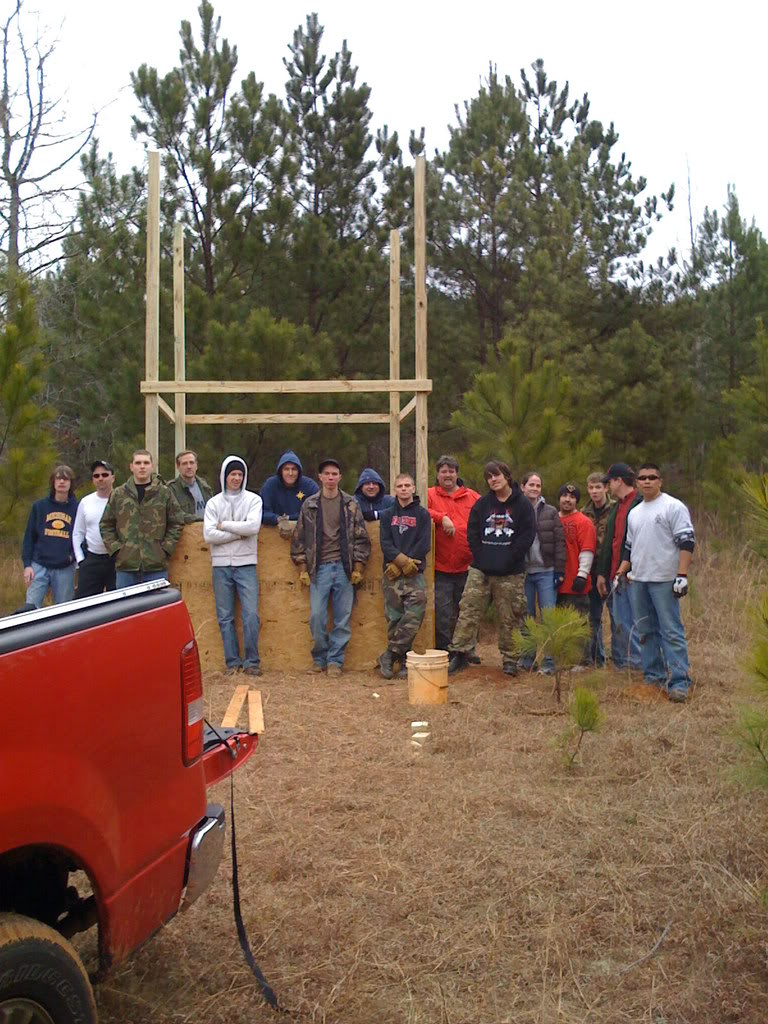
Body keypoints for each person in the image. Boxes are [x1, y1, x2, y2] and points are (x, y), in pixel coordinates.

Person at [448, 460, 536, 676]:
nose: (493, 480)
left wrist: (509, 559)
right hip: (481, 570)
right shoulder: (483, 504)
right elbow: (472, 532)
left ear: (507, 476)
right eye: (489, 477)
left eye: (496, 475)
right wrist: (482, 557)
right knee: (468, 610)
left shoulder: (522, 505)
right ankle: (460, 653)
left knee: (510, 617)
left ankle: (510, 659)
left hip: (510, 572)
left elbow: (527, 535)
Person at [617, 463, 695, 702]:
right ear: (637, 483)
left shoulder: (673, 506)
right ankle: (654, 677)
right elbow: (630, 546)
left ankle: (680, 680)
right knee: (645, 631)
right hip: (639, 580)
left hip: (664, 579)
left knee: (670, 630)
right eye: (643, 478)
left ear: (660, 481)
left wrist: (681, 575)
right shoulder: (635, 512)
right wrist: (623, 569)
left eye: (652, 477)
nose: (647, 481)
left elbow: (687, 542)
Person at [290, 458, 371, 676]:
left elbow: (362, 538)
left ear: (340, 477)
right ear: (320, 477)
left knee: (342, 619)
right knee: (317, 617)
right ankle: (320, 658)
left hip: (344, 569)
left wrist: (358, 568)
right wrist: (302, 569)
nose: (331, 478)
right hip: (320, 569)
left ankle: (335, 661)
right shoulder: (310, 505)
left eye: (335, 474)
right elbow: (299, 539)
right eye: (327, 474)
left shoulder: (351, 504)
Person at [203, 456, 264, 676]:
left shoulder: (254, 500)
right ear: (224, 476)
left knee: (250, 614)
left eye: (240, 474)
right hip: (220, 566)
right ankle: (232, 662)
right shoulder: (213, 503)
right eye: (232, 474)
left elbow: (253, 527)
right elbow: (209, 534)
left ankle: (252, 661)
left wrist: (225, 526)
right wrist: (237, 534)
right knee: (225, 617)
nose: (236, 478)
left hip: (246, 564)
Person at [100, 449, 185, 588]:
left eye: (146, 463)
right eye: (138, 463)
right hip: (126, 567)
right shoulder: (119, 494)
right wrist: (116, 550)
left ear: (152, 466)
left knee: (157, 609)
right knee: (127, 609)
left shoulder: (164, 493)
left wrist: (165, 549)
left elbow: (176, 522)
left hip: (155, 566)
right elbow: (106, 524)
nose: (142, 466)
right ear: (131, 467)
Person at [377, 472, 432, 679]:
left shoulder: (422, 514)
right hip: (392, 573)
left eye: (407, 485)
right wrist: (400, 563)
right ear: (395, 490)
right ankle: (401, 661)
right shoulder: (387, 514)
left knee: (413, 616)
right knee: (394, 618)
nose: (403, 489)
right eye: (400, 486)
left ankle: (389, 655)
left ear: (414, 488)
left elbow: (424, 543)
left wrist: (409, 562)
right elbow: (385, 543)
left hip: (414, 573)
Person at [427, 454, 481, 653]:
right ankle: (446, 651)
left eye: (451, 471)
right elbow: (420, 510)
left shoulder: (473, 497)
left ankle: (467, 650)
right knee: (442, 612)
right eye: (443, 471)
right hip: (441, 567)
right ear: (437, 474)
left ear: (457, 474)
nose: (447, 475)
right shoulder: (430, 495)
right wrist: (442, 518)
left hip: (468, 566)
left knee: (467, 612)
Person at [595, 463, 643, 670]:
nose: (608, 487)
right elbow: (609, 543)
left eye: (609, 482)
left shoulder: (639, 503)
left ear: (618, 481)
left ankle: (636, 665)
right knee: (618, 620)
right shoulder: (618, 506)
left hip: (632, 573)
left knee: (632, 621)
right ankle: (621, 662)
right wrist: (602, 574)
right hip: (614, 573)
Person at [519, 471, 565, 673]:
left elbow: (559, 543)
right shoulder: (516, 509)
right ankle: (528, 660)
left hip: (546, 571)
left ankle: (549, 663)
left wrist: (559, 570)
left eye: (538, 485)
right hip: (524, 573)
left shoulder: (551, 511)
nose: (535, 488)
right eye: (531, 484)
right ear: (522, 487)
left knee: (548, 616)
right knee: (527, 617)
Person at [21, 465, 78, 607]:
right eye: (58, 478)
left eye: (65, 479)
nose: (62, 482)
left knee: (63, 610)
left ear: (71, 483)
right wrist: (27, 565)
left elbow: (82, 537)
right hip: (39, 566)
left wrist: (73, 557)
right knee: (31, 608)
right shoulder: (39, 507)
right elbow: (29, 537)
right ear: (53, 482)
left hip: (65, 568)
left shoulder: (78, 508)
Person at [556, 484, 597, 663]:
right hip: (556, 583)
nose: (567, 499)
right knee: (559, 623)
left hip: (575, 583)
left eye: (572, 497)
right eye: (564, 495)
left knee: (578, 623)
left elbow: (587, 550)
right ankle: (564, 658)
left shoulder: (583, 522)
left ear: (576, 501)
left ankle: (582, 660)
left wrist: (582, 574)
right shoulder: (553, 519)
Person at [581, 472, 615, 667]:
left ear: (606, 488)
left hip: (612, 570)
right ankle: (596, 659)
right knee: (594, 616)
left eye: (598, 487)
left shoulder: (616, 509)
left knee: (617, 616)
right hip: (592, 572)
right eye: (591, 488)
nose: (594, 491)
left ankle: (622, 660)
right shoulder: (584, 512)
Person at [73, 460, 117, 598]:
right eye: (96, 476)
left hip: (116, 560)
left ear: (113, 478)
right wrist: (80, 560)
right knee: (83, 605)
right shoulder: (86, 502)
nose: (101, 479)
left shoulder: (122, 500)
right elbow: (77, 533)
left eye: (105, 475)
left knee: (117, 605)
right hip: (92, 560)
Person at [260, 451, 319, 539]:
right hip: (272, 538)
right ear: (281, 471)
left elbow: (314, 512)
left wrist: (289, 519)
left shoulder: (310, 486)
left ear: (299, 471)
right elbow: (262, 512)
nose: (290, 473)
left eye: (294, 469)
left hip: (304, 537)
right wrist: (278, 519)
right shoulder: (270, 485)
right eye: (286, 469)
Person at [167, 450, 213, 523]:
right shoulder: (171, 489)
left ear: (196, 465)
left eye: (191, 463)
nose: (189, 467)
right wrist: (200, 519)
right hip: (186, 532)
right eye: (185, 464)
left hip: (207, 530)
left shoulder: (205, 486)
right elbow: (175, 515)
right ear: (178, 467)